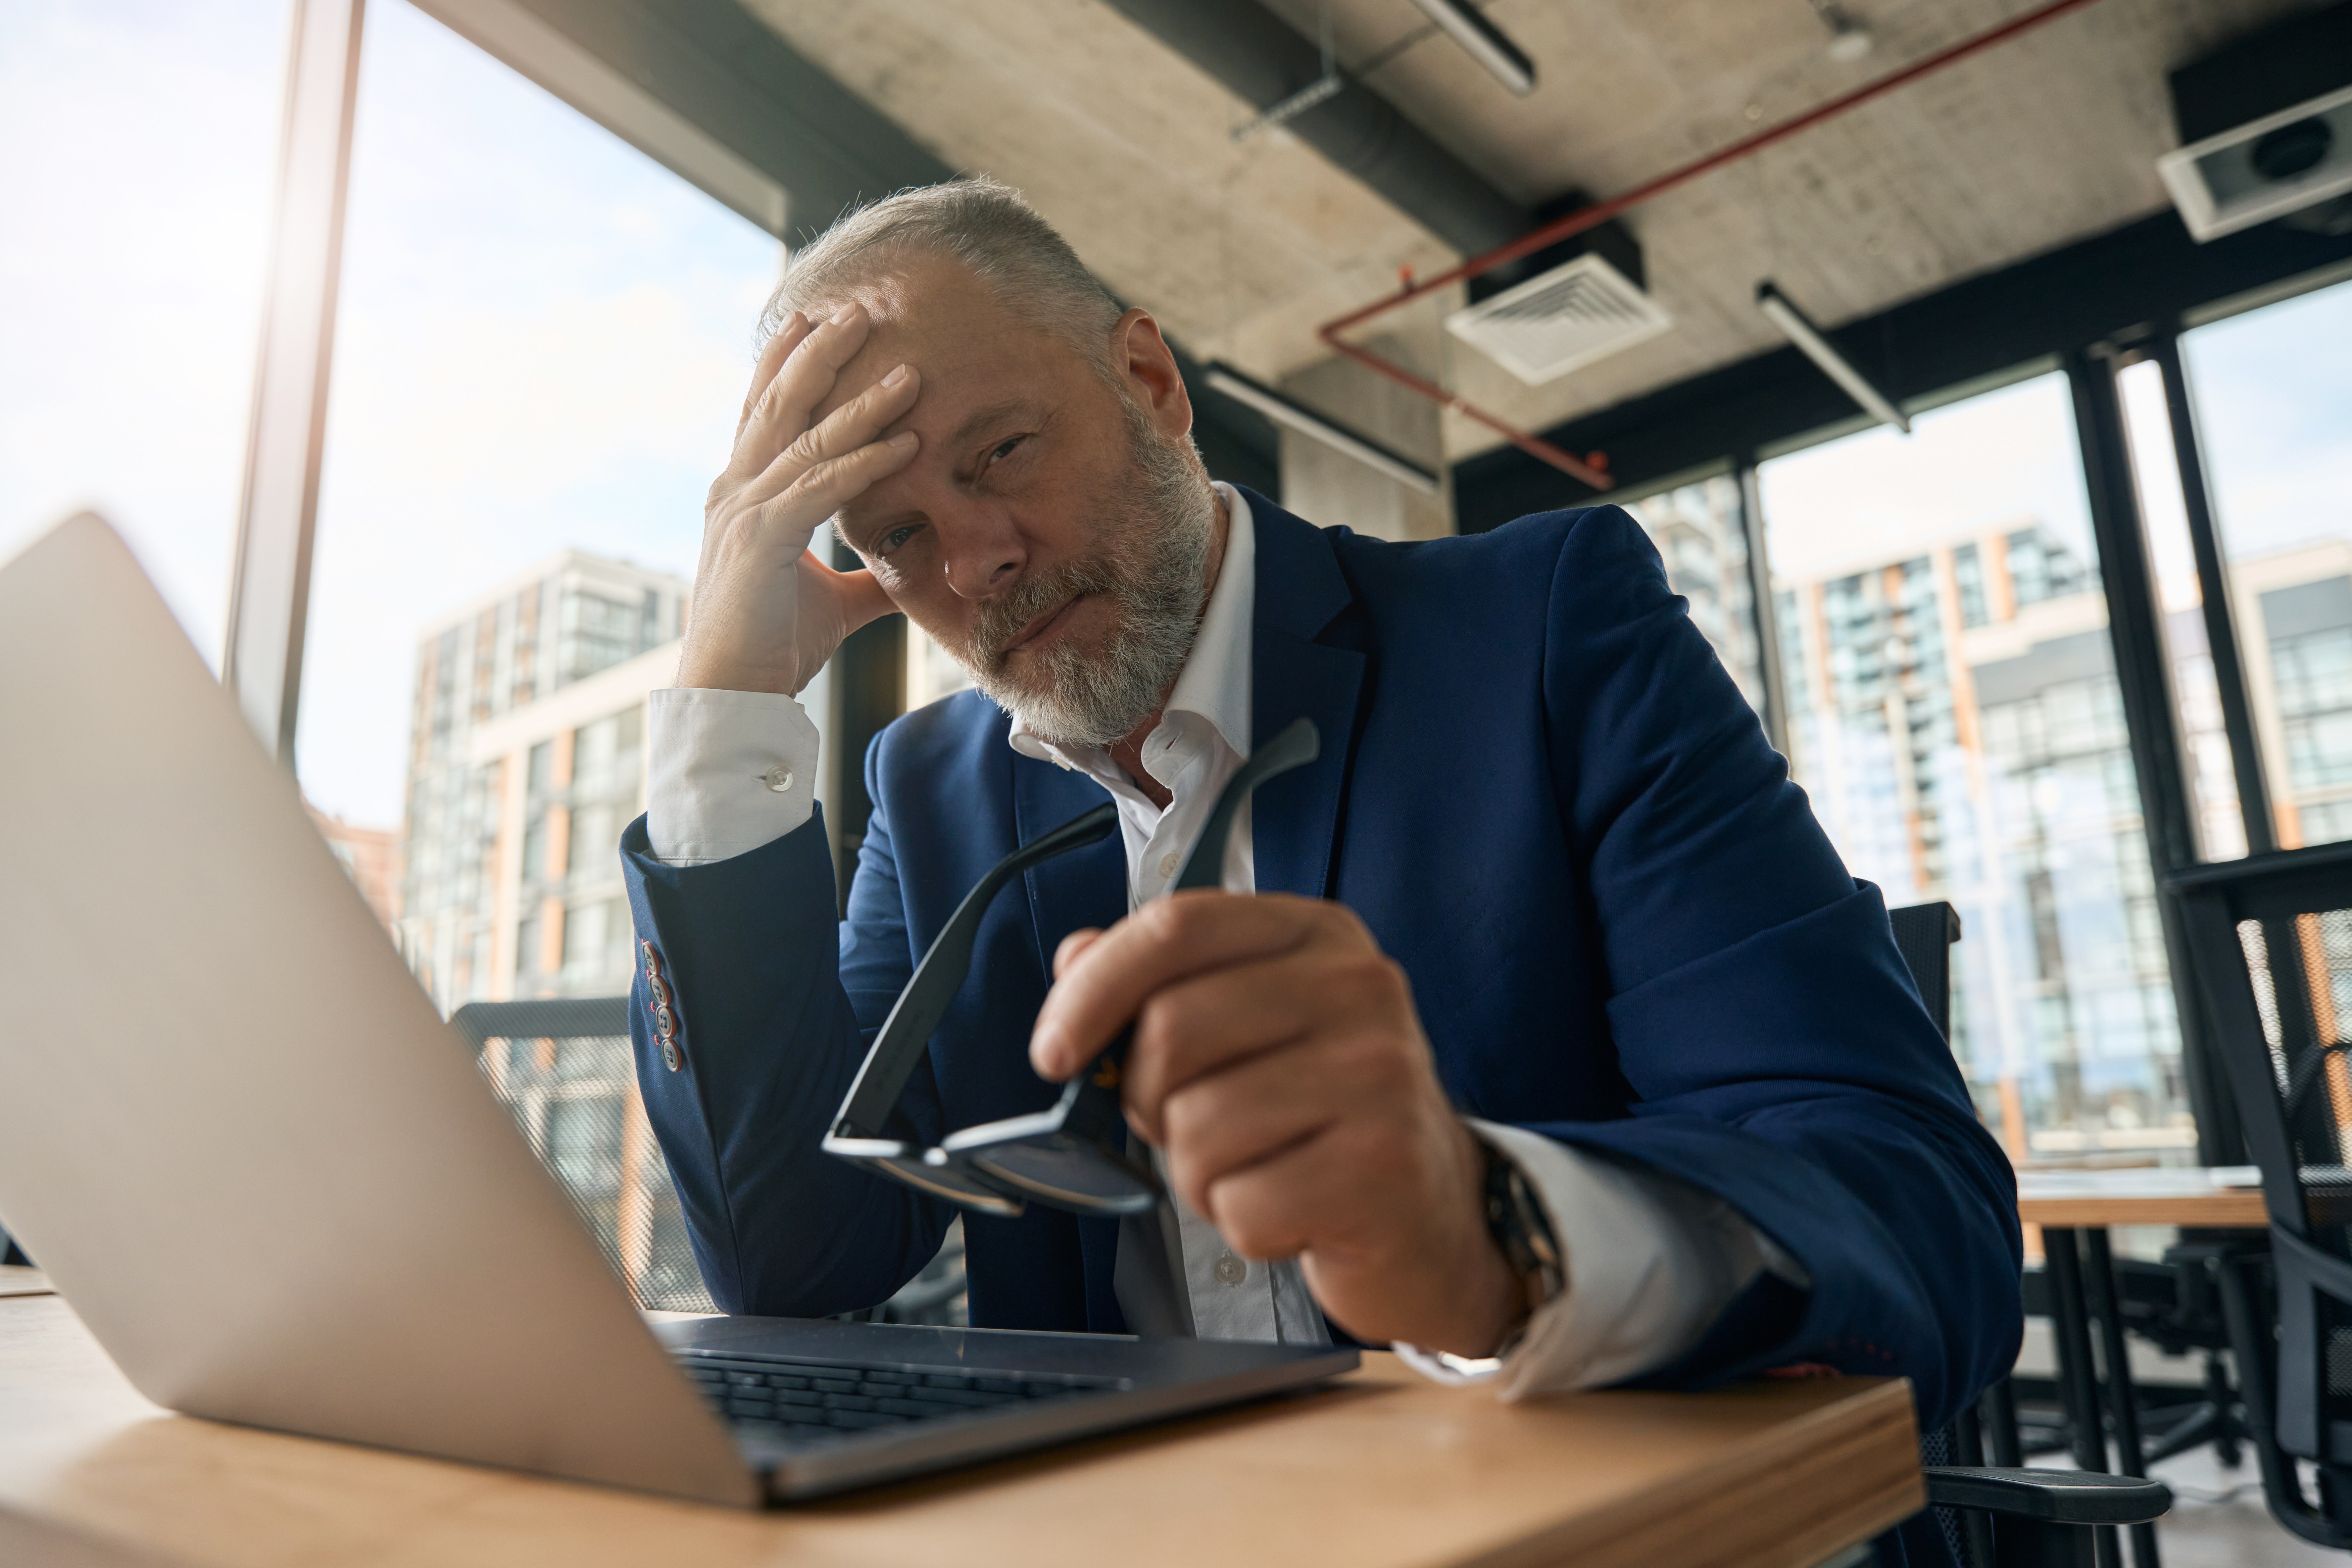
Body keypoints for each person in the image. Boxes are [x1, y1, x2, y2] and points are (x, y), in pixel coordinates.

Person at [622, 178, 2018, 1438]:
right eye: (901, 536)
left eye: (1000, 453)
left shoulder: (1540, 632)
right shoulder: (934, 789)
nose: (979, 560)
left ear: (1151, 383)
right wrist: (730, 700)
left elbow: (1919, 1218)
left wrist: (1491, 1235)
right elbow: (792, 1253)